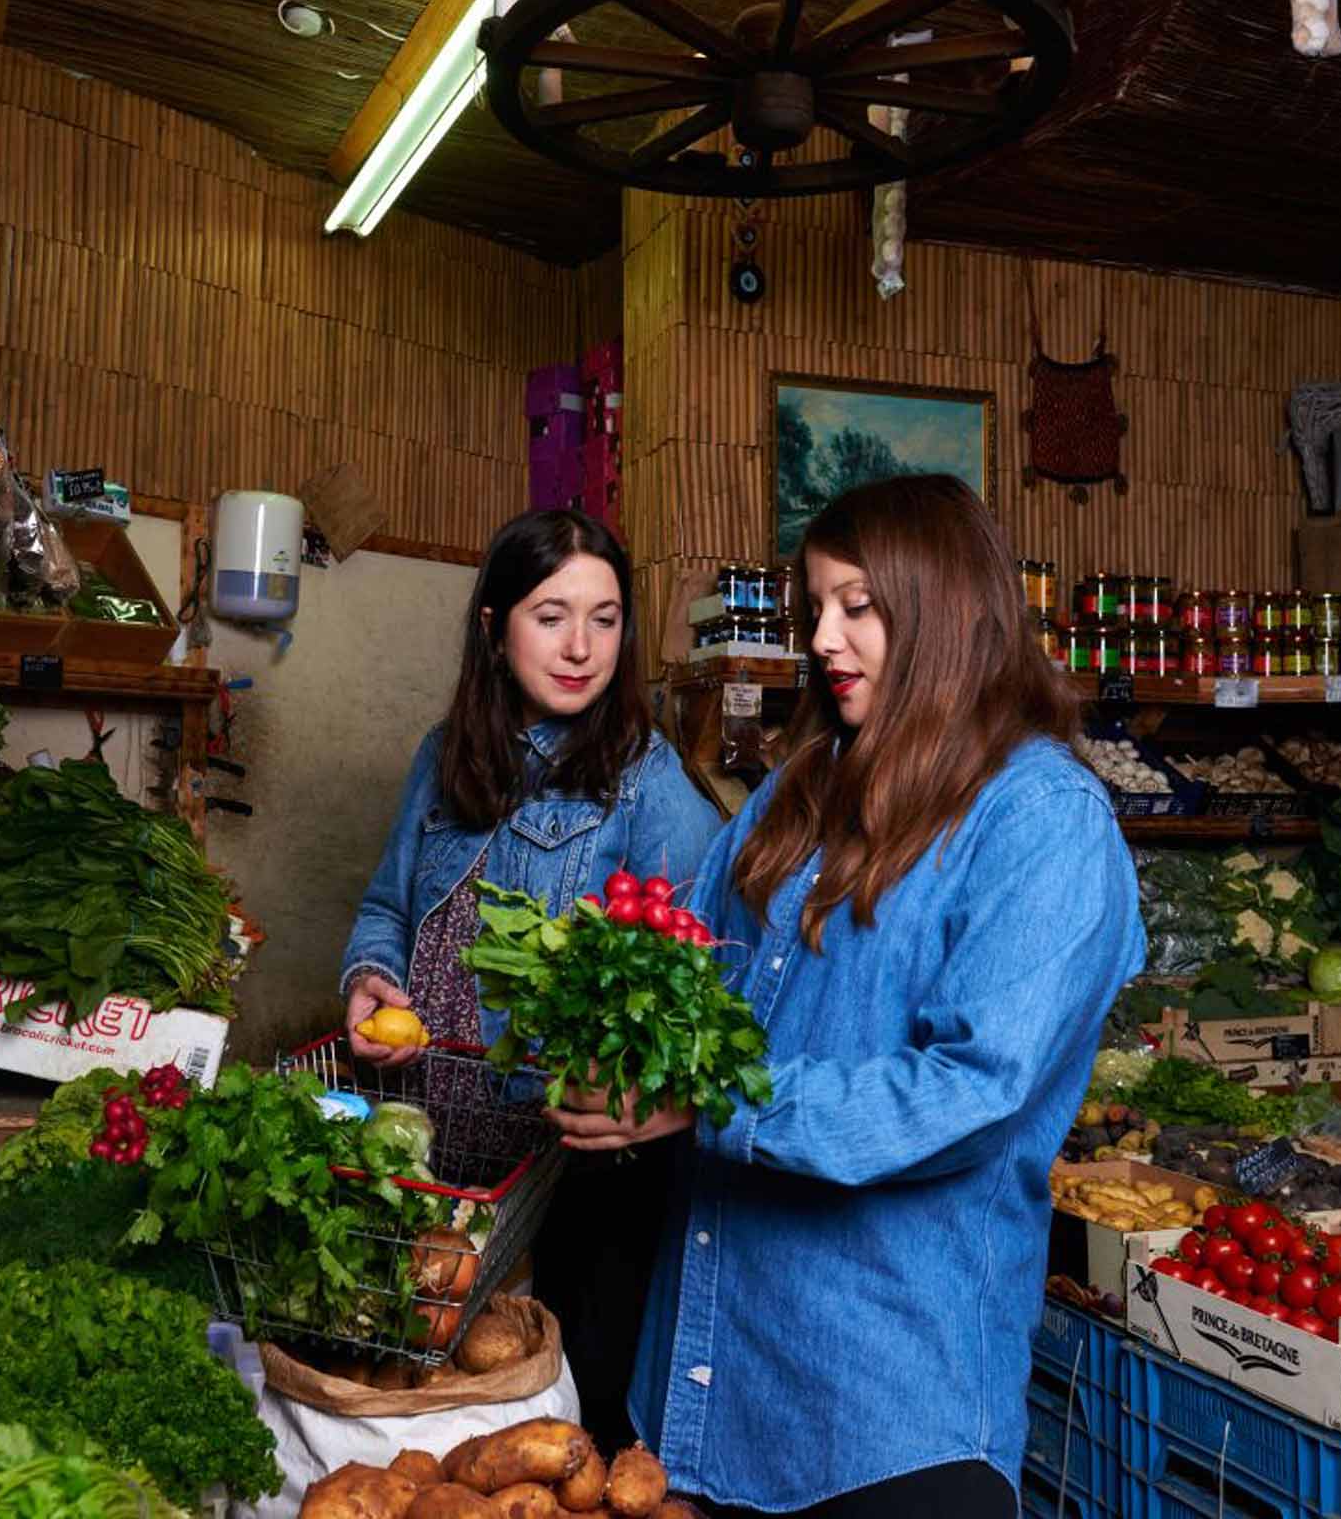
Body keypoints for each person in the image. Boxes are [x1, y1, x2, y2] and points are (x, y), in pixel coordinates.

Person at [547, 476, 1145, 1518]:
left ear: (948, 611)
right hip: (705, 1379)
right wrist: (620, 1055)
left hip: (882, 1420)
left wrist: (716, 1100)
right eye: (813, 608)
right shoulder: (798, 789)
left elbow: (971, 1091)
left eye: (857, 607)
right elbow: (694, 973)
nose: (821, 638)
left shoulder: (1040, 821)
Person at [339, 507, 723, 1451]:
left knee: (559, 1423)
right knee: (414, 1408)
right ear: (494, 625)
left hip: (571, 1174)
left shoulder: (646, 778)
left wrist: (642, 1078)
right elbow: (388, 906)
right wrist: (369, 979)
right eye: (551, 616)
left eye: (605, 617)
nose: (581, 647)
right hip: (430, 1151)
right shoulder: (445, 755)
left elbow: (709, 972)